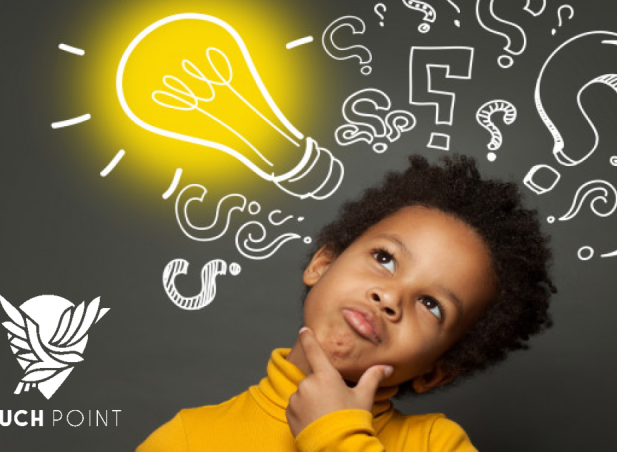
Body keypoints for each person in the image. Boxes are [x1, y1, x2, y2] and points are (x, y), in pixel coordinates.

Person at [137, 155, 556, 451]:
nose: (390, 297)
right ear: (323, 263)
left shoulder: (437, 445)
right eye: (384, 259)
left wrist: (336, 438)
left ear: (436, 373)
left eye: (431, 304)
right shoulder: (188, 439)